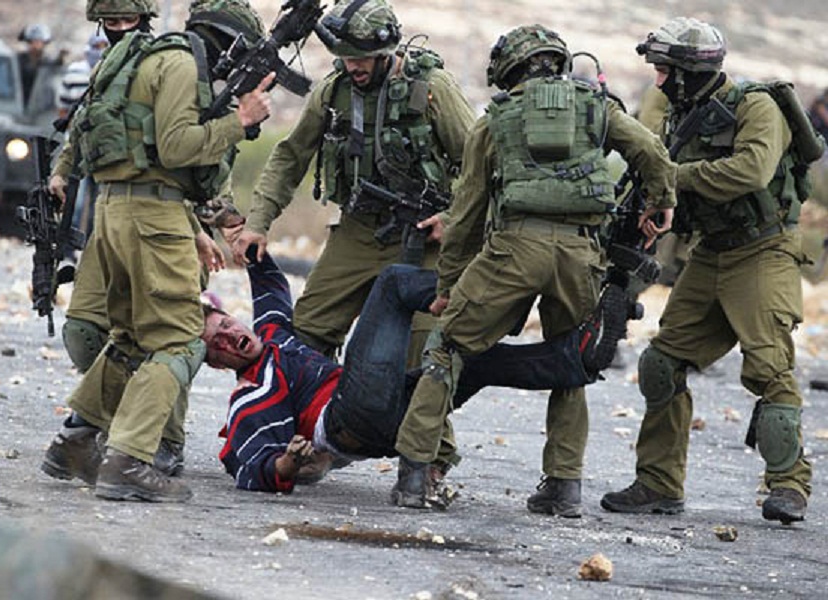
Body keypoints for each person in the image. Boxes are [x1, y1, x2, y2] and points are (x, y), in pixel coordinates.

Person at [392, 24, 677, 515]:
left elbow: (467, 213)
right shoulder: (597, 107)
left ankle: (415, 477)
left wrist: (449, 286)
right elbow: (652, 152)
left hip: (512, 250)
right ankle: (563, 487)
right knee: (572, 360)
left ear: (510, 69)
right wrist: (662, 200)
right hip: (581, 254)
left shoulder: (495, 120)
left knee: (447, 347)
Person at [39, 0, 273, 503]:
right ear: (229, 42)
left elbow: (93, 133)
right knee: (179, 338)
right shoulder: (181, 64)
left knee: (130, 336)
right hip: (154, 215)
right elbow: (176, 147)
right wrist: (241, 120)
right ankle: (128, 462)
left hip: (113, 211)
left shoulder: (132, 58)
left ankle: (74, 443)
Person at [601, 17, 813, 524]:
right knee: (661, 363)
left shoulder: (756, 106)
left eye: (664, 71)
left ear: (689, 72)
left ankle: (789, 485)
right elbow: (678, 189)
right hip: (709, 252)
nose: (658, 81)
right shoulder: (681, 116)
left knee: (768, 368)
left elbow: (751, 171)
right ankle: (659, 483)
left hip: (763, 251)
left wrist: (673, 177)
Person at [206, 242, 618, 498]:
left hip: (400, 418)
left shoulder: (273, 334)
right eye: (217, 345)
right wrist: (286, 465)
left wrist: (241, 233)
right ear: (217, 363)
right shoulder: (251, 394)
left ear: (233, 317)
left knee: (472, 359)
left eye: (225, 325)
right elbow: (250, 465)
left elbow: (270, 285)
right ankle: (483, 302)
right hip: (351, 415)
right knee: (391, 284)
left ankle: (576, 358)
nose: (228, 337)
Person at [232, 0, 476, 373]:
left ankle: (421, 414)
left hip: (425, 235)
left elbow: (480, 165)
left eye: (361, 57)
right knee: (306, 333)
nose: (352, 66)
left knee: (426, 347)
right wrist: (258, 223)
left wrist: (453, 218)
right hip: (358, 231)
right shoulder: (334, 91)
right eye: (345, 57)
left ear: (384, 52)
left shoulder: (432, 88)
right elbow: (290, 157)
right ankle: (320, 406)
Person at [57, 32, 110, 239]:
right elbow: (62, 109)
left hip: (103, 147)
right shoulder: (75, 73)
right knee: (74, 199)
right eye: (97, 46)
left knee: (99, 200)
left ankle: (90, 242)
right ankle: (68, 244)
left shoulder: (115, 72)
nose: (100, 51)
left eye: (104, 46)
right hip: (77, 145)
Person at [17, 23, 65, 113]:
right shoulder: (19, 60)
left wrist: (60, 59)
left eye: (39, 42)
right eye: (33, 42)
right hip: (20, 102)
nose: (36, 45)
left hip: (39, 108)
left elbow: (55, 69)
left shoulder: (46, 62)